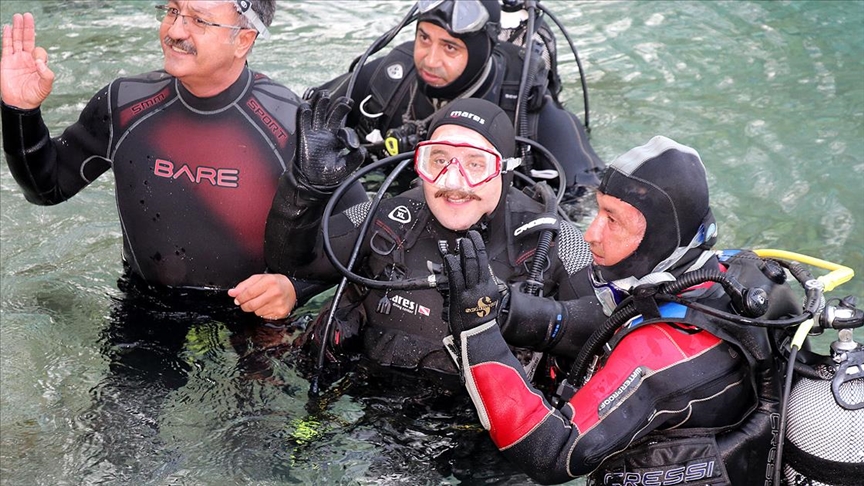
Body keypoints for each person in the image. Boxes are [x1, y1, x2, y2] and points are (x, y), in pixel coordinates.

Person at [438, 136, 803, 485]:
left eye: (613, 220)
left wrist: (477, 332)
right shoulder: (720, 275)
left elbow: (549, 454)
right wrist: (501, 309)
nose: (590, 234)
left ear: (659, 235)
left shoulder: (663, 351)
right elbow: (599, 320)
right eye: (599, 210)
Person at [265, 97, 594, 387]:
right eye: (438, 160)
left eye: (475, 164)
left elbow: (600, 328)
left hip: (484, 434)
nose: (452, 182)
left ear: (504, 170)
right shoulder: (390, 215)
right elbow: (292, 261)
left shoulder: (557, 241)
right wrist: (304, 190)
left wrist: (508, 313)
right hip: (372, 408)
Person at [315, 0, 604, 200]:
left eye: (450, 47)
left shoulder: (526, 107)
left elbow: (588, 200)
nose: (430, 59)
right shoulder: (391, 77)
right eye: (424, 38)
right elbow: (307, 114)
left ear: (481, 49)